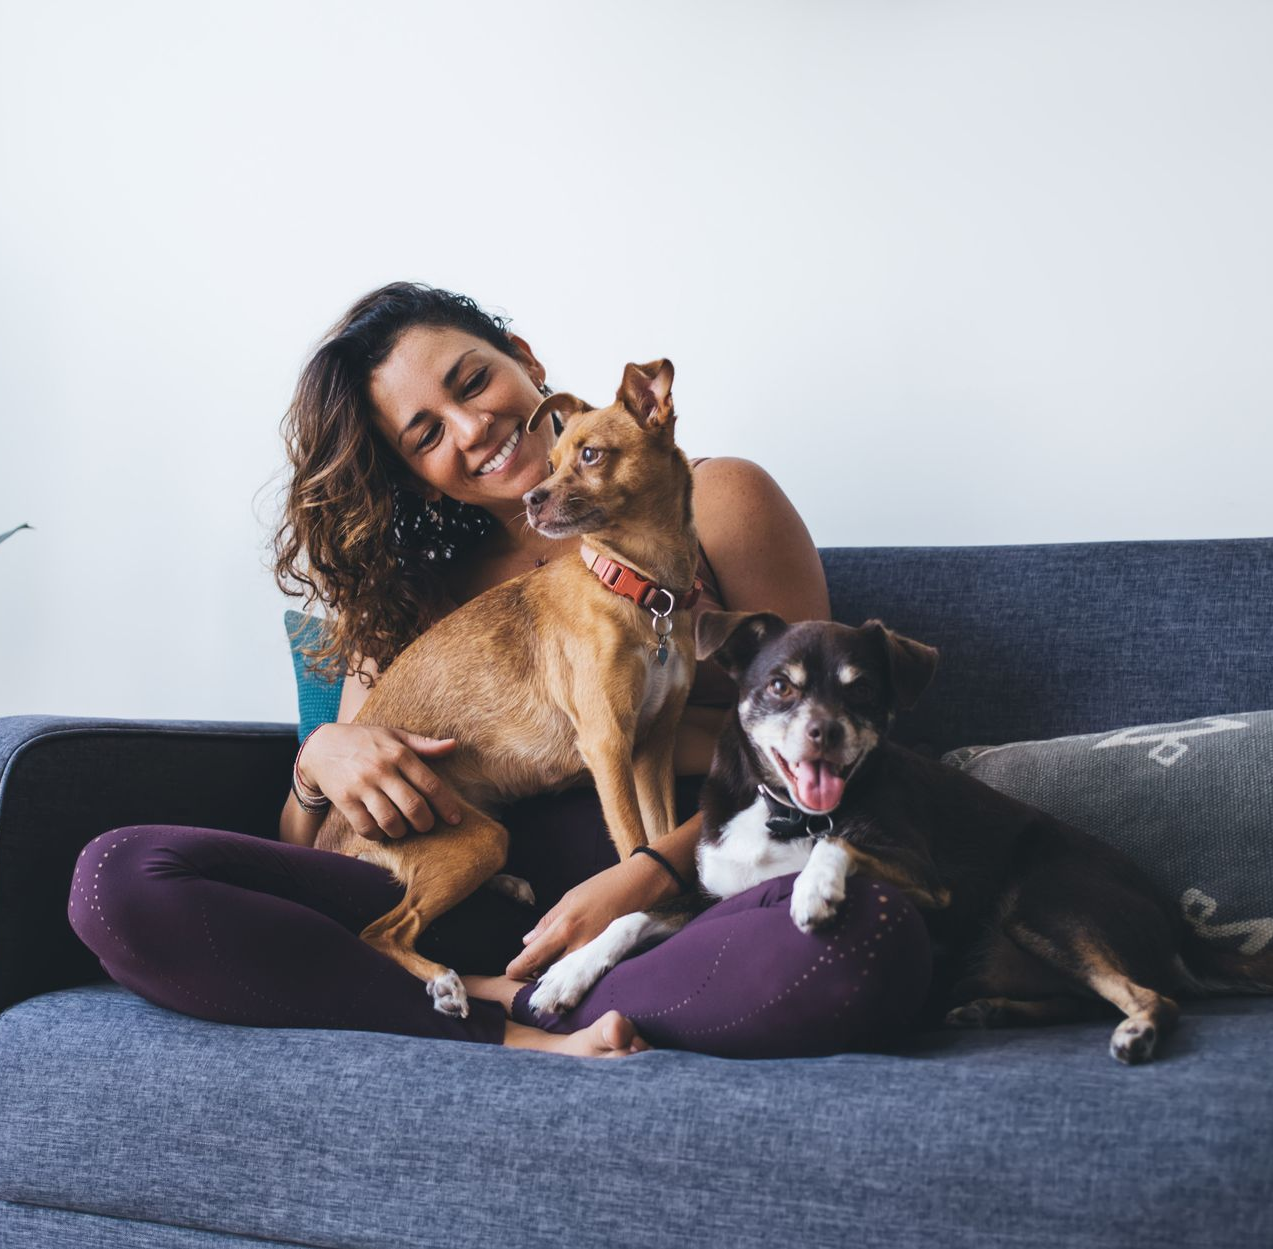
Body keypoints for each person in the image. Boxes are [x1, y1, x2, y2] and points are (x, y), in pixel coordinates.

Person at [69, 282, 931, 1058]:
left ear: (526, 364)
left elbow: (825, 754)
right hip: (451, 899)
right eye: (427, 434)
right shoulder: (412, 606)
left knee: (866, 934)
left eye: (472, 382)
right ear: (421, 480)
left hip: (648, 920)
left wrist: (644, 877)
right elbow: (313, 855)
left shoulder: (718, 502)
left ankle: (485, 1003)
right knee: (116, 881)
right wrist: (317, 759)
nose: (472, 427)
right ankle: (504, 1017)